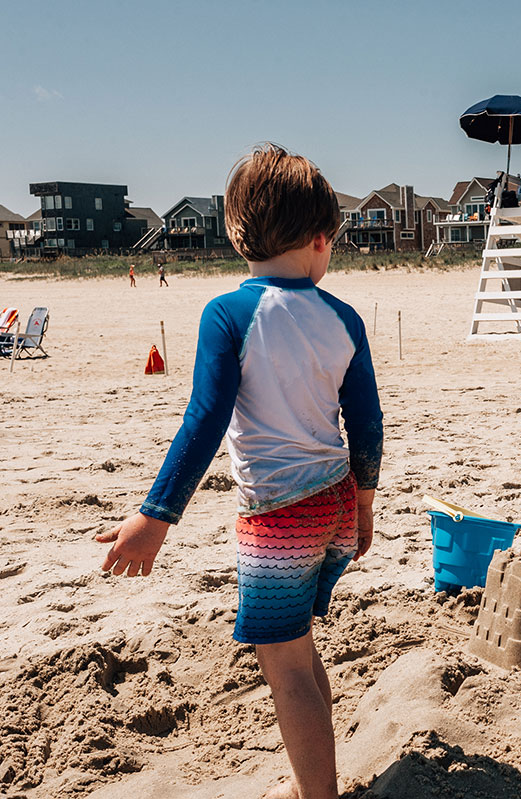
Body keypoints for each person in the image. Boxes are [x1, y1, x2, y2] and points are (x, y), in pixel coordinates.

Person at [96, 143, 383, 799]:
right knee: (300, 651)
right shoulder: (342, 318)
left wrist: (154, 516)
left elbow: (204, 419)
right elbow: (367, 426)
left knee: (284, 668)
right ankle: (317, 778)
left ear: (234, 233)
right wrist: (362, 508)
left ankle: (319, 793)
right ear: (320, 239)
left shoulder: (227, 313)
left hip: (279, 517)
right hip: (336, 502)